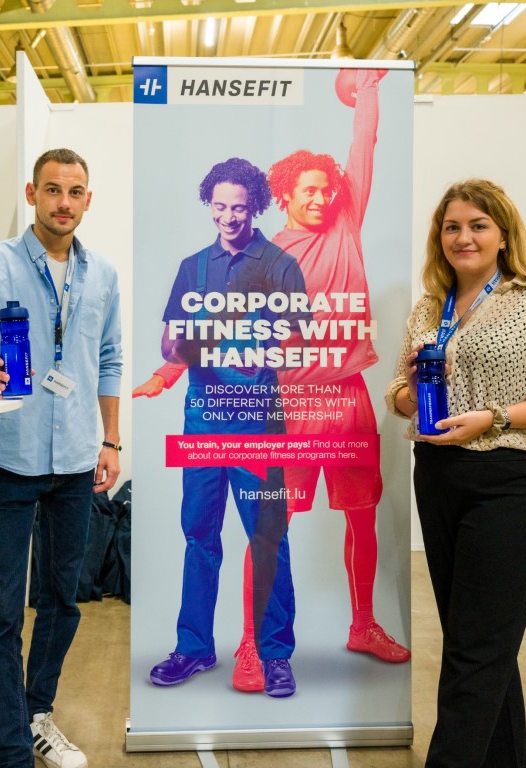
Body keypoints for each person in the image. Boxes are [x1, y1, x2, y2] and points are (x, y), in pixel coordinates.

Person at [385, 178, 526, 767]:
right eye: (452, 227)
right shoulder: (431, 306)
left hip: (509, 482)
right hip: (438, 476)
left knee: (475, 651)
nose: (464, 237)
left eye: (478, 225)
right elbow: (398, 388)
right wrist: (410, 395)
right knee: (477, 642)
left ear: (503, 235)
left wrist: (495, 417)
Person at [231, 68, 409, 683]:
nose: (322, 198)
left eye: (328, 190)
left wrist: (370, 89)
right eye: (309, 190)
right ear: (285, 194)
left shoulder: (346, 223)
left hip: (349, 396)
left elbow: (364, 146)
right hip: (290, 404)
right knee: (271, 525)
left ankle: (363, 624)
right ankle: (252, 643)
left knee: (361, 514)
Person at [0, 148, 123, 768]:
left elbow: (108, 358)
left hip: (75, 458)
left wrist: (110, 440)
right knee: (1, 610)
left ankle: (36, 712)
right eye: (52, 190)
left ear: (88, 200)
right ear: (32, 194)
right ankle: (14, 748)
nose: (63, 203)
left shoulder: (102, 275)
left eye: (74, 192)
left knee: (62, 601)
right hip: (10, 456)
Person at [134, 157, 306, 698]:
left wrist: (259, 347)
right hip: (202, 420)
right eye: (219, 206)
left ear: (256, 206)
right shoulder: (193, 267)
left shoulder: (280, 264)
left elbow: (297, 338)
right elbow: (171, 342)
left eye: (239, 207)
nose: (228, 217)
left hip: (258, 424)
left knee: (267, 536)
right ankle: (194, 647)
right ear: (209, 204)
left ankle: (275, 656)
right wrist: (178, 347)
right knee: (199, 537)